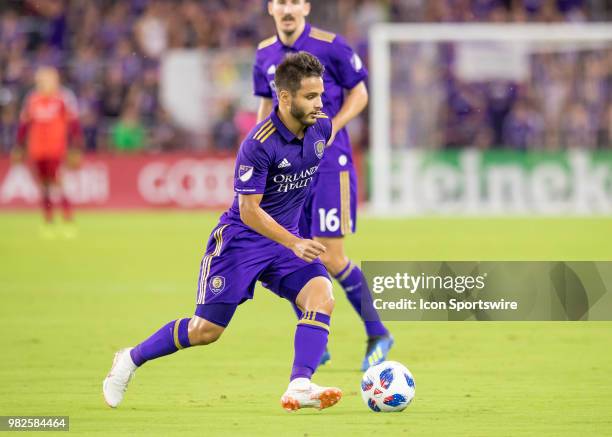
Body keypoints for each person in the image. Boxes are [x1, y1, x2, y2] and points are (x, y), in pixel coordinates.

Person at [103, 52, 342, 412]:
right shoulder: (258, 145)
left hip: (285, 241)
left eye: (320, 95)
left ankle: (300, 385)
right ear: (285, 97)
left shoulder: (322, 128)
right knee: (205, 331)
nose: (319, 104)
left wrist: (300, 236)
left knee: (321, 296)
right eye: (310, 97)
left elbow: (301, 189)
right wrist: (294, 241)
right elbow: (249, 210)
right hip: (240, 243)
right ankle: (129, 360)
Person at [253, 0, 392, 370]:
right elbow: (266, 108)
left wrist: (335, 129)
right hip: (288, 169)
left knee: (330, 256)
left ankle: (378, 332)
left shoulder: (331, 46)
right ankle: (313, 324)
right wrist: (256, 153)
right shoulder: (264, 54)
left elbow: (359, 92)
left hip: (331, 165)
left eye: (294, 2)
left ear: (306, 7)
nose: (287, 9)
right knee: (285, 251)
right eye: (281, 2)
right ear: (271, 8)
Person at [13, 66, 81, 238]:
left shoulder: (62, 99)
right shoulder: (32, 100)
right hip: (36, 149)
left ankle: (67, 219)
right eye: (42, 79)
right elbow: (23, 125)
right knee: (43, 186)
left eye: (48, 79)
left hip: (56, 149)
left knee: (58, 182)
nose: (45, 82)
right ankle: (48, 220)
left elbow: (73, 123)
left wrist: (76, 146)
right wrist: (19, 146)